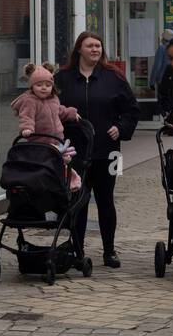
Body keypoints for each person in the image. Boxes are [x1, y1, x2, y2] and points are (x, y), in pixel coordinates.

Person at [54, 31, 140, 268]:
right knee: (77, 200)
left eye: (98, 46)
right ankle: (78, 250)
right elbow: (51, 108)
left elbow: (132, 110)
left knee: (106, 200)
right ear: (79, 49)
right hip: (74, 151)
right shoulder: (63, 77)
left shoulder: (114, 77)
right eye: (90, 45)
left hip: (110, 151)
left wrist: (120, 128)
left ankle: (109, 251)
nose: (95, 49)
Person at [12, 63, 81, 190]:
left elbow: (60, 111)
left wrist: (72, 113)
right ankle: (51, 184)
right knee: (51, 165)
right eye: (39, 85)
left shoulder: (53, 99)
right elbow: (26, 116)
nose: (44, 88)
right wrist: (26, 128)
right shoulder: (30, 101)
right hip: (41, 142)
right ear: (32, 86)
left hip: (57, 141)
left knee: (64, 162)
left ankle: (68, 183)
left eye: (48, 85)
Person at [150, 28, 173, 94]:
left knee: (162, 100)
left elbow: (157, 66)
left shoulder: (162, 48)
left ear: (163, 38)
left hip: (162, 79)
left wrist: (152, 82)